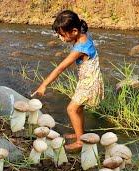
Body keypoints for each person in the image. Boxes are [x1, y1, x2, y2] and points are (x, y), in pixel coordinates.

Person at [31, 10, 104, 151]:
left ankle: (80, 142)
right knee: (79, 108)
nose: (60, 38)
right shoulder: (83, 35)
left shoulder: (80, 48)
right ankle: (80, 134)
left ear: (74, 31)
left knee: (71, 109)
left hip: (89, 83)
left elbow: (60, 68)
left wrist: (43, 85)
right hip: (88, 80)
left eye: (62, 34)